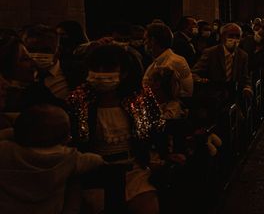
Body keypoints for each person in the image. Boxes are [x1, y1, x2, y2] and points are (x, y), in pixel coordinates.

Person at [67, 43, 164, 214]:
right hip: (94, 172)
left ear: (124, 72)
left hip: (133, 169)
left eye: (109, 68)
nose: (101, 72)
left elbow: (157, 130)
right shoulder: (79, 100)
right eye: (96, 68)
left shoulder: (139, 97)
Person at [0, 104, 104, 214]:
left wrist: (17, 131)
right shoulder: (69, 158)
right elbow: (97, 160)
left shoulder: (5, 149)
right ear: (65, 137)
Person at [191, 23, 253, 103]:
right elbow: (194, 73)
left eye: (237, 36)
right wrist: (200, 80)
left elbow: (245, 76)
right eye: (231, 36)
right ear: (223, 37)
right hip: (213, 94)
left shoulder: (242, 55)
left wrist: (247, 87)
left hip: (233, 93)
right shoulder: (211, 53)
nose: (234, 39)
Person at [142, 22, 193, 118]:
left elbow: (183, 94)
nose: (143, 42)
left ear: (152, 41)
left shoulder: (174, 62)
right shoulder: (156, 61)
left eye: (145, 39)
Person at [22, 25, 70, 101]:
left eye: (45, 50)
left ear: (58, 51)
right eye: (32, 50)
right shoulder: (17, 75)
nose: (37, 54)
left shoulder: (74, 74)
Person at [56, 20, 89, 89]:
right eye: (57, 35)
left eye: (63, 34)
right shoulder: (59, 51)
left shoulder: (84, 50)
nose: (59, 38)